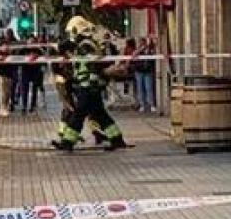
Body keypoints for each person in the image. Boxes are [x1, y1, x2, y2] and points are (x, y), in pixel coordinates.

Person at [52, 16, 126, 151]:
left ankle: (67, 142)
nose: (71, 35)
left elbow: (91, 63)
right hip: (90, 85)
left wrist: (89, 82)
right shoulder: (85, 44)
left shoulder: (85, 45)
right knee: (100, 114)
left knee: (78, 115)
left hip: (88, 85)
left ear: (76, 30)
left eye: (72, 32)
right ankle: (117, 139)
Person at [134, 36, 158, 114]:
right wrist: (141, 49)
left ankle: (151, 105)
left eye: (143, 42)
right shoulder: (138, 50)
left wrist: (150, 47)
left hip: (148, 71)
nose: (142, 44)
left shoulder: (150, 50)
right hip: (139, 71)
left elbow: (153, 54)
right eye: (141, 42)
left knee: (149, 88)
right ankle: (142, 105)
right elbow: (134, 55)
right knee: (140, 88)